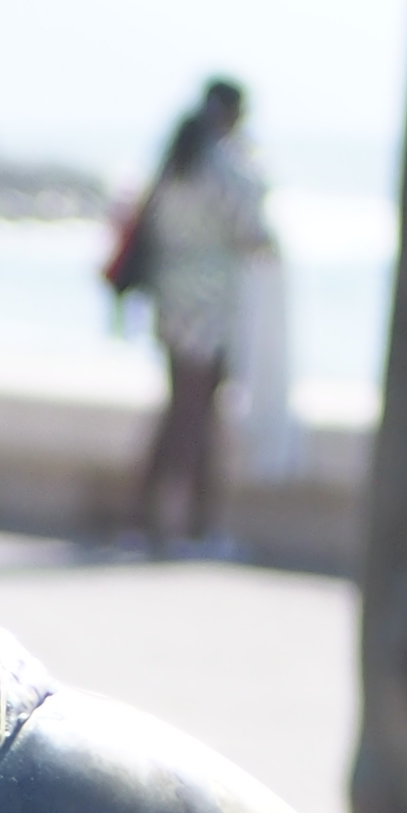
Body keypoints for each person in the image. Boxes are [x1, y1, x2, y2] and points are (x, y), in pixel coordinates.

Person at [115, 77, 274, 553]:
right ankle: (188, 526)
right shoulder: (224, 166)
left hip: (171, 300)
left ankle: (150, 519)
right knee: (196, 416)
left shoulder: (175, 162)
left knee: (180, 411)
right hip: (209, 308)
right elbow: (253, 232)